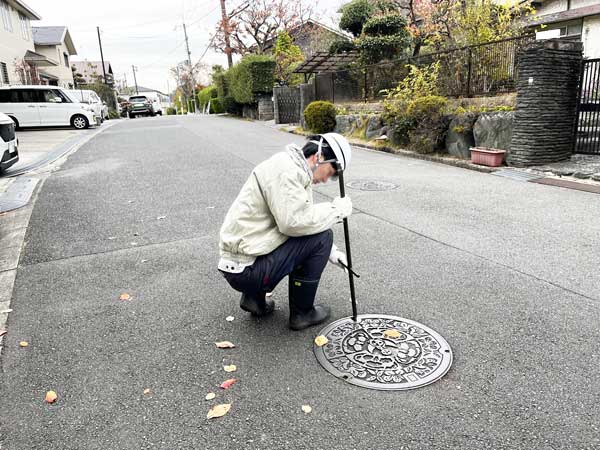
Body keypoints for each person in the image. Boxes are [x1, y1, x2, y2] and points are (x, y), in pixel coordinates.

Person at [218, 133, 353, 330]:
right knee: (324, 237)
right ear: (319, 157)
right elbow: (294, 224)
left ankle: (254, 298)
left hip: (241, 265)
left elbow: (301, 225)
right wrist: (336, 210)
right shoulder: (288, 173)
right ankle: (302, 313)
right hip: (248, 271)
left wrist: (333, 254)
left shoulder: (289, 167)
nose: (327, 180)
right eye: (332, 172)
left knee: (318, 237)